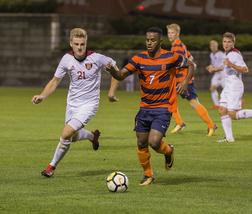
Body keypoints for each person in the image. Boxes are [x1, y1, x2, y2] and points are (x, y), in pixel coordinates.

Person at [105, 27, 194, 185]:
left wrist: (185, 82)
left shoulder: (170, 56)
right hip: (144, 108)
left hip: (163, 108)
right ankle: (149, 176)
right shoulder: (139, 59)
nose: (149, 43)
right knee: (141, 142)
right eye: (147, 40)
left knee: (154, 142)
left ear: (160, 41)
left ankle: (169, 150)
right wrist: (112, 70)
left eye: (153, 40)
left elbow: (191, 65)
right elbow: (120, 75)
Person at [31, 28, 119, 177]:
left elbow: (117, 71)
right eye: (77, 44)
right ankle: (93, 136)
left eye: (83, 44)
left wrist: (111, 93)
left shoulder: (97, 58)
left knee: (65, 134)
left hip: (89, 104)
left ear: (86, 44)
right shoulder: (66, 59)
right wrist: (42, 96)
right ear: (71, 43)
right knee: (72, 136)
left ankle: (51, 167)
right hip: (72, 103)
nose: (80, 47)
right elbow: (55, 81)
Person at [210, 32, 252, 142]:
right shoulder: (227, 53)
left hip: (235, 87)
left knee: (232, 115)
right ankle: (229, 138)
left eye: (229, 42)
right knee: (222, 110)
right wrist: (216, 69)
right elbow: (226, 66)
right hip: (228, 87)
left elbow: (245, 69)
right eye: (224, 42)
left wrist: (232, 65)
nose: (226, 44)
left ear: (233, 43)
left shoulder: (235, 54)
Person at [166, 23, 217, 136]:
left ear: (177, 33)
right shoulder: (179, 45)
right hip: (179, 79)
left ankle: (211, 125)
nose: (170, 35)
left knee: (194, 103)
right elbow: (190, 57)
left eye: (172, 33)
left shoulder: (177, 46)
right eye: (168, 33)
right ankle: (179, 122)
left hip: (184, 81)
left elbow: (181, 63)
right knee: (169, 99)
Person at [205, 40, 225, 109]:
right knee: (212, 88)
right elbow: (213, 64)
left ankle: (238, 101)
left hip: (223, 73)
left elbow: (224, 64)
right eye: (212, 46)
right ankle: (217, 104)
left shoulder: (220, 54)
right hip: (217, 73)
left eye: (215, 46)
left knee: (226, 89)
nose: (214, 47)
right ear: (210, 47)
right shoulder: (211, 54)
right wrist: (209, 66)